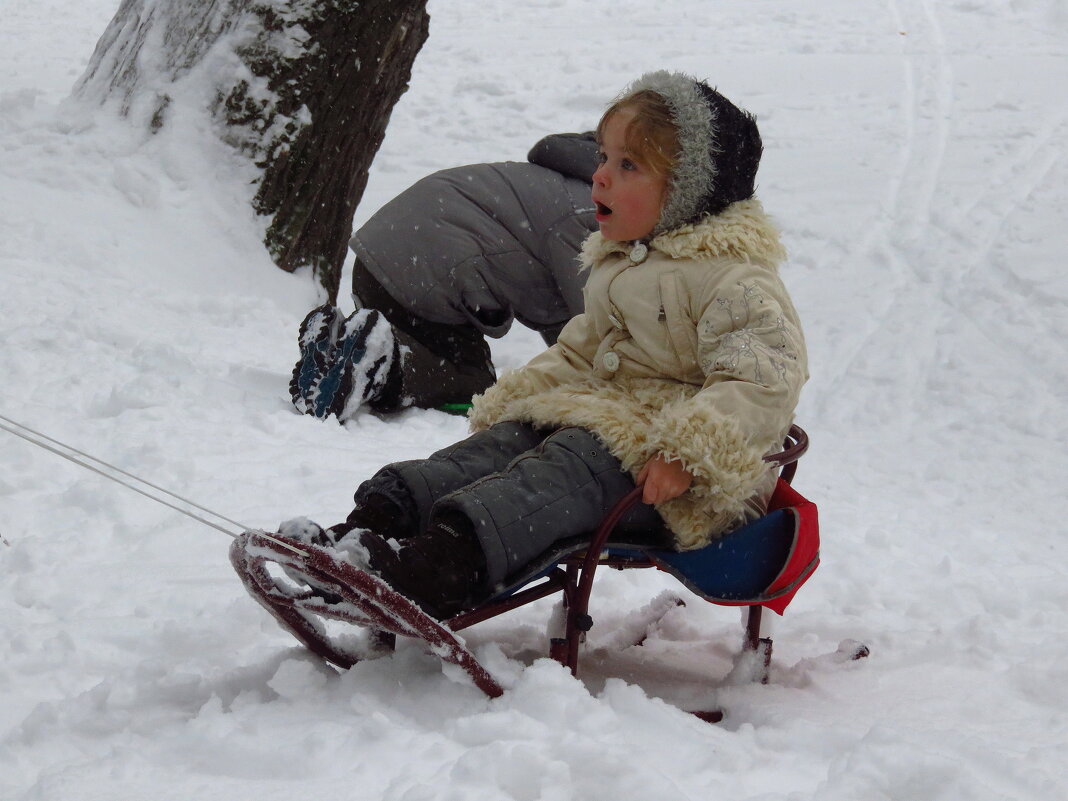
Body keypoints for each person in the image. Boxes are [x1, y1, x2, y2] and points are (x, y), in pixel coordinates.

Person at [280, 70, 809, 620]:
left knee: (554, 477)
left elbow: (762, 379)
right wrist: (520, 400)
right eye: (604, 157)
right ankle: (367, 536)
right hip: (603, 433)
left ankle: (434, 569)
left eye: (627, 166)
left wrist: (687, 455)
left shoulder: (735, 281)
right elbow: (577, 353)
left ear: (689, 193)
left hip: (671, 482)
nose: (600, 177)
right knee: (498, 449)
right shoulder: (620, 267)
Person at [289, 132, 599, 420]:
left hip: (382, 265)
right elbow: (597, 324)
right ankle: (381, 358)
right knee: (473, 386)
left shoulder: (569, 186)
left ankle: (337, 345)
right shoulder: (594, 211)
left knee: (439, 358)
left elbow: (572, 323)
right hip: (423, 278)